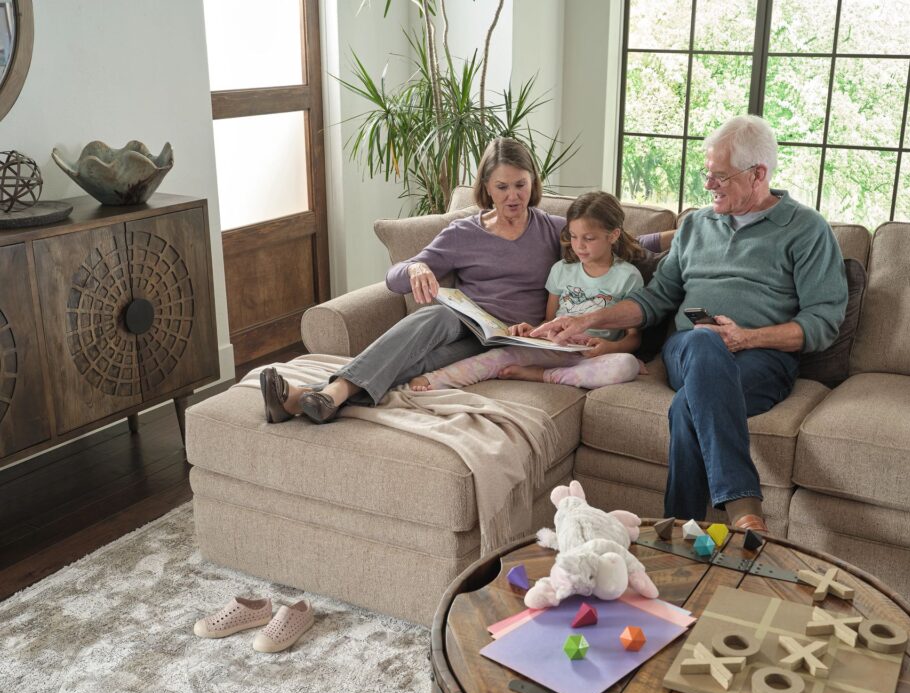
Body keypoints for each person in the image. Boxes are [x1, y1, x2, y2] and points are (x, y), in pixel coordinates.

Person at [531, 115, 847, 533]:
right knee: (701, 343)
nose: (709, 185)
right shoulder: (695, 226)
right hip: (687, 352)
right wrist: (587, 318)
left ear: (758, 175)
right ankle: (745, 511)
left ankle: (680, 531)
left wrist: (746, 337)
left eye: (720, 176)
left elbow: (823, 323)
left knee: (687, 407)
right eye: (707, 174)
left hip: (763, 360)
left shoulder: (805, 230)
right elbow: (654, 300)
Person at [259, 137, 566, 424]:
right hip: (467, 325)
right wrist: (415, 269)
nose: (513, 196)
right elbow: (394, 279)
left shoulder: (557, 231)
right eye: (502, 187)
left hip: (510, 342)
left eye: (520, 185)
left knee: (420, 362)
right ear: (486, 187)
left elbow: (605, 262)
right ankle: (329, 395)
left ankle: (304, 398)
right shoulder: (464, 233)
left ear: (534, 182)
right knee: (438, 313)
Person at [408, 191, 665, 392]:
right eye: (574, 237)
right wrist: (530, 331)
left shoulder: (627, 277)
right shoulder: (562, 270)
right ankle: (435, 380)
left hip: (590, 357)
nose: (579, 246)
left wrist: (609, 347)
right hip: (554, 347)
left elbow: (634, 338)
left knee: (627, 365)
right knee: (499, 357)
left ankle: (543, 376)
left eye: (589, 238)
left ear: (613, 236)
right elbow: (548, 321)